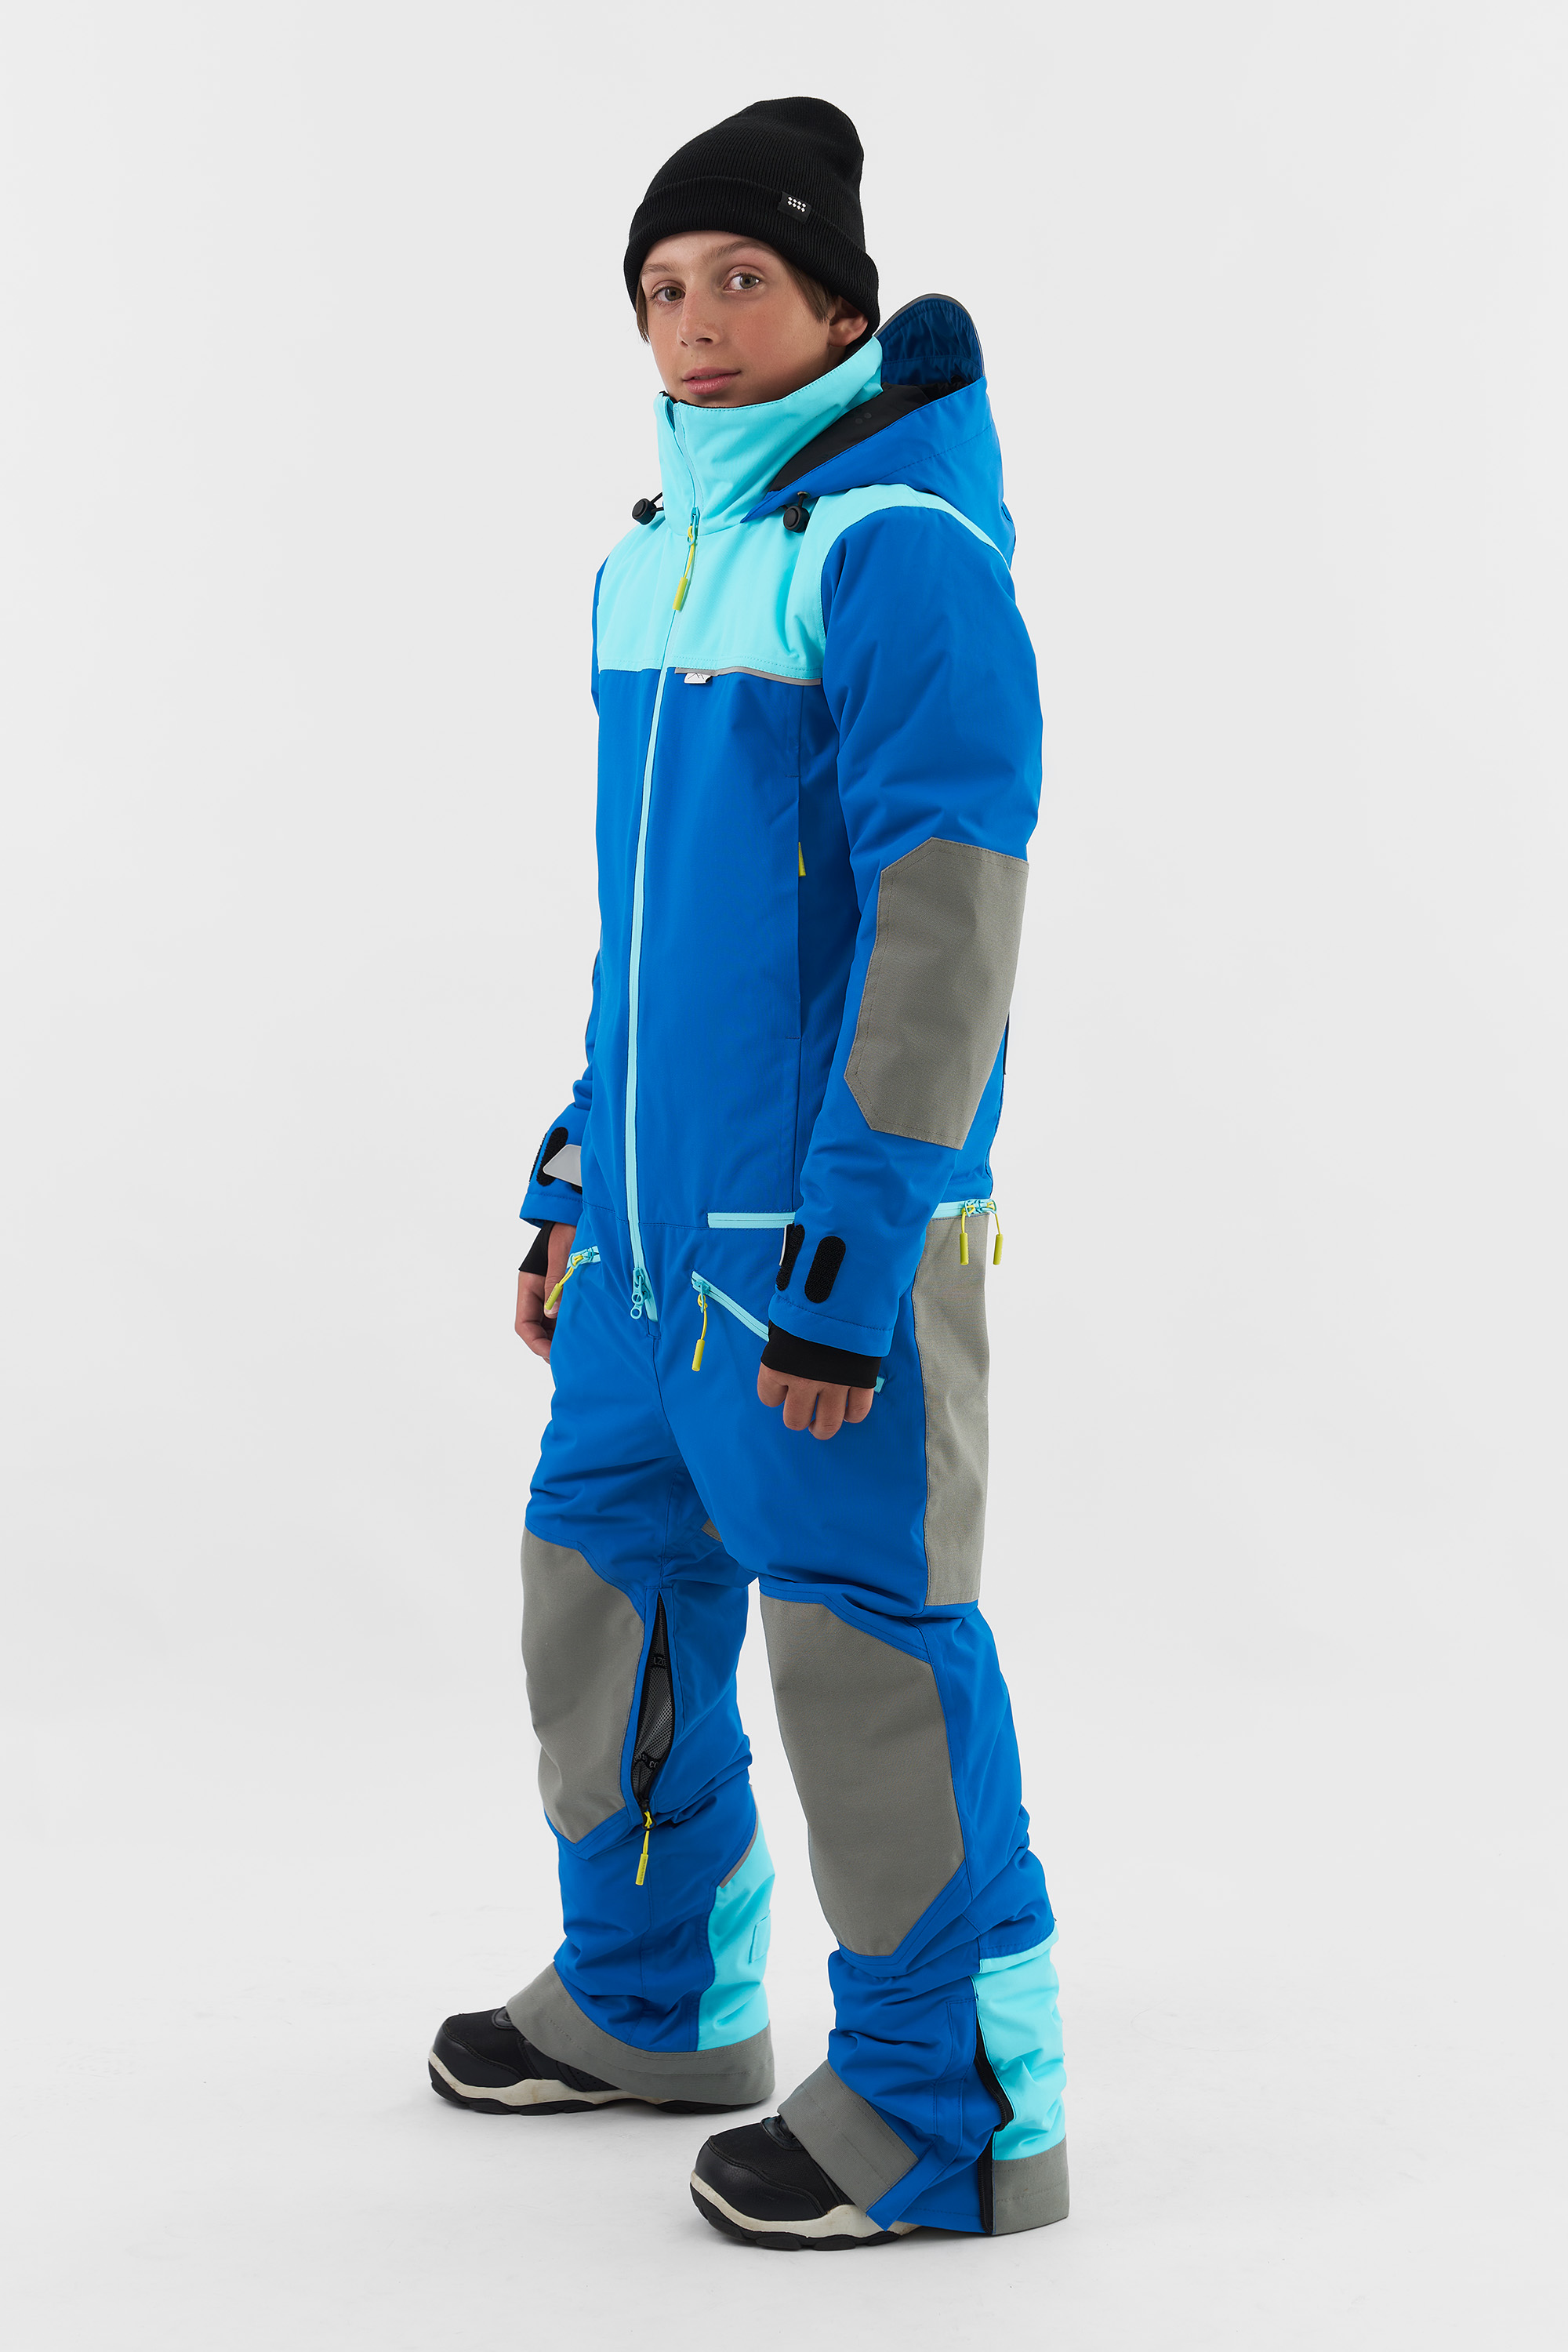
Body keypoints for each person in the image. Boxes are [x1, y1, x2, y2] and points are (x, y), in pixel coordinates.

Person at [427, 95, 1068, 2249]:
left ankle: (956, 2111)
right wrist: (569, 1172)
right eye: (662, 289)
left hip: (818, 1241)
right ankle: (655, 1999)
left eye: (742, 281)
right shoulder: (651, 562)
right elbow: (654, 933)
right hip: (644, 1240)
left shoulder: (899, 556)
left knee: (866, 1657)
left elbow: (946, 932)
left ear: (840, 308)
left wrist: (858, 1253)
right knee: (598, 1590)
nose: (695, 322)